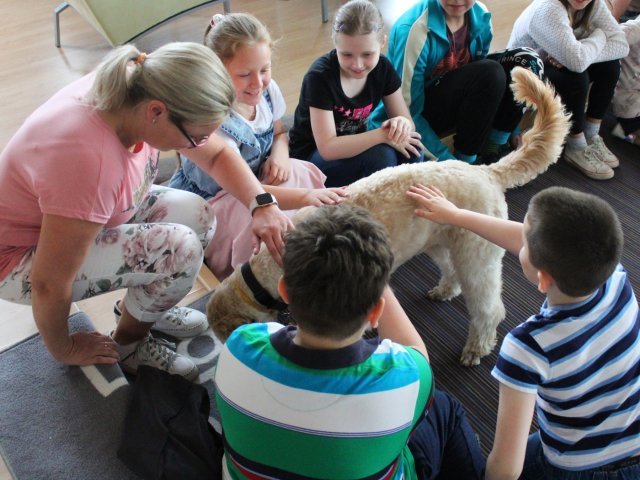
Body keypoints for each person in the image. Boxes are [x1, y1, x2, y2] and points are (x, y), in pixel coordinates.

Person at [0, 42, 292, 381]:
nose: (200, 145)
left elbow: (216, 156)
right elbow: (49, 284)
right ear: (156, 112)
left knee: (199, 215)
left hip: (78, 216)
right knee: (180, 252)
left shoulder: (143, 81)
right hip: (19, 257)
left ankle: (143, 308)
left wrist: (262, 205)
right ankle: (129, 345)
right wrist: (64, 346)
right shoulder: (89, 161)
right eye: (195, 137)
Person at [214, 203, 486, 479]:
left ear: (284, 290)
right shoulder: (405, 377)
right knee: (444, 407)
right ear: (376, 312)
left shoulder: (239, 346)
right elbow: (416, 354)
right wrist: (375, 280)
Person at [407, 184, 640, 479]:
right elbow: (536, 243)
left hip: (573, 466)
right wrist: (457, 216)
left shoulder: (529, 347)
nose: (520, 240)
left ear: (542, 279)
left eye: (525, 242)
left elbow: (506, 470)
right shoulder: (616, 277)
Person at [170, 13, 348, 280]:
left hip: (256, 180)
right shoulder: (213, 120)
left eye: (264, 70)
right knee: (253, 216)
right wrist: (305, 196)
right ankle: (257, 277)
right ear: (217, 72)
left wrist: (280, 154)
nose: (258, 83)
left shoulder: (266, 91)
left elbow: (279, 132)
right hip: (222, 197)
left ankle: (305, 248)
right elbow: (240, 187)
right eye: (244, 74)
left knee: (297, 170)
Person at [369, 0, 544, 165]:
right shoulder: (414, 30)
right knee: (490, 72)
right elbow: (407, 111)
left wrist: (510, 127)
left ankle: (495, 147)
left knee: (527, 61)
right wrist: (452, 165)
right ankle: (467, 162)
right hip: (413, 115)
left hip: (454, 97)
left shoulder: (480, 14)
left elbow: (482, 82)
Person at [287, 0, 425, 188]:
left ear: (382, 42)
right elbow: (327, 148)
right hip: (311, 158)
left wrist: (402, 124)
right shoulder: (319, 77)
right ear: (335, 43)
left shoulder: (383, 68)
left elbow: (408, 123)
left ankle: (399, 198)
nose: (358, 64)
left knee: (413, 149)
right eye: (347, 55)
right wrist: (382, 136)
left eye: (367, 54)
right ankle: (377, 201)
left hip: (352, 146)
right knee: (382, 157)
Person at [508, 0, 629, 180]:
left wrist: (582, 51)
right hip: (525, 76)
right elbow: (578, 62)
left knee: (610, 65)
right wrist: (599, 36)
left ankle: (591, 134)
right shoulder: (550, 7)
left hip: (558, 66)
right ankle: (576, 145)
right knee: (576, 73)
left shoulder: (594, 4)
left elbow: (622, 45)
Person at [611, 15, 640, 147]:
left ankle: (627, 132)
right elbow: (613, 36)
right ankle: (627, 132)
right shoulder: (636, 29)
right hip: (631, 104)